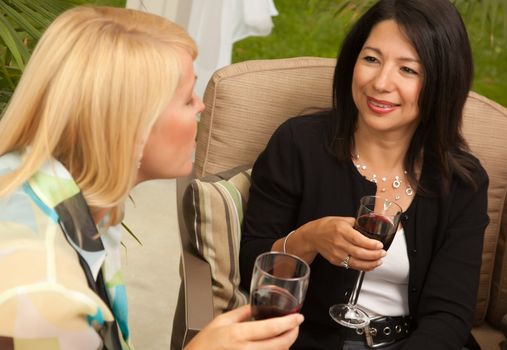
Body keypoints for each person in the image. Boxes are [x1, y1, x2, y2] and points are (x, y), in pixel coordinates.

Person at [0, 6, 303, 350]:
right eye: (188, 98)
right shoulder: (48, 299)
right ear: (132, 128)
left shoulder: (71, 195)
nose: (201, 106)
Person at [239, 0, 489, 349]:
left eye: (408, 70)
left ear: (442, 82)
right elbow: (250, 266)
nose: (381, 82)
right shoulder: (299, 144)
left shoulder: (462, 181)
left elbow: (449, 317)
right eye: (371, 59)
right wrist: (308, 239)